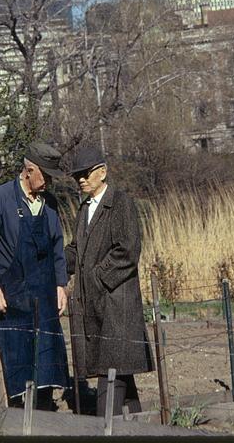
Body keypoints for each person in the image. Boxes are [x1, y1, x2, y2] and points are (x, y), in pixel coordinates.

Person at [0, 140, 69, 410]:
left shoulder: (49, 203)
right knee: (17, 366)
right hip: (12, 298)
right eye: (46, 175)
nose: (49, 181)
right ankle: (17, 418)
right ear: (28, 170)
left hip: (44, 297)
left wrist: (61, 285)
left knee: (46, 365)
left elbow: (57, 246)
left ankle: (45, 415)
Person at [64, 146, 154, 417]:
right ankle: (140, 426)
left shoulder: (121, 202)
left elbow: (127, 250)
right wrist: (55, 262)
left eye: (85, 173)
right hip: (96, 301)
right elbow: (77, 249)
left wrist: (96, 278)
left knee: (111, 368)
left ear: (102, 172)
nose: (80, 179)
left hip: (116, 302)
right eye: (76, 176)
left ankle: (106, 428)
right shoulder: (85, 208)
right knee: (117, 366)